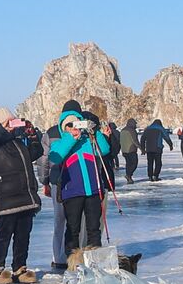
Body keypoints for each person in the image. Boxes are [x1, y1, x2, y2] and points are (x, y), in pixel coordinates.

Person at [0, 107, 43, 284]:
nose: (13, 126)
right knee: (4, 234)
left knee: (23, 234)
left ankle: (19, 267)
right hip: (5, 197)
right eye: (9, 122)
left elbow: (35, 154)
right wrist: (1, 129)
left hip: (25, 196)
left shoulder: (18, 141)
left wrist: (33, 136)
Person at [48, 108, 112, 267]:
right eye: (69, 124)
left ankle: (96, 264)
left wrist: (94, 131)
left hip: (93, 191)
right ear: (63, 127)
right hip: (72, 192)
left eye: (76, 123)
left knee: (94, 229)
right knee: (72, 230)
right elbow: (55, 156)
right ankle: (72, 265)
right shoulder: (61, 143)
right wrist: (71, 138)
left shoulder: (88, 141)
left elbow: (104, 149)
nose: (73, 127)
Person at [44, 99, 82, 271]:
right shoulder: (55, 132)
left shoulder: (51, 131)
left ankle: (60, 256)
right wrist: (46, 180)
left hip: (58, 180)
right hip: (63, 179)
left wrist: (44, 180)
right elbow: (45, 159)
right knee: (69, 220)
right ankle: (66, 256)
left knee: (61, 220)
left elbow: (42, 161)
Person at [118, 118, 141, 184]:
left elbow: (120, 141)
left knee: (128, 164)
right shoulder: (132, 130)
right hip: (131, 150)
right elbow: (135, 141)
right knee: (134, 163)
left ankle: (129, 177)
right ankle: (128, 175)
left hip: (124, 150)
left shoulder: (122, 130)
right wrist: (142, 149)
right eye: (135, 124)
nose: (135, 125)